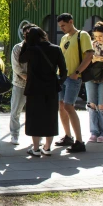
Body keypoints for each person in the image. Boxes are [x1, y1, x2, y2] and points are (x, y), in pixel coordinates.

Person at [19, 27, 67, 156]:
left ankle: (35, 148)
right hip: (51, 88)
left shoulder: (31, 50)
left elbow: (21, 59)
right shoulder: (55, 48)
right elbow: (63, 69)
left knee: (34, 118)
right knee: (50, 116)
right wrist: (59, 82)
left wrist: (26, 44)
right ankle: (47, 147)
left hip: (34, 88)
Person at [55, 13, 93, 153]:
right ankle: (68, 136)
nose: (62, 28)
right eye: (60, 26)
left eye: (64, 25)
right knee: (61, 106)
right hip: (63, 77)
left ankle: (79, 141)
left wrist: (77, 73)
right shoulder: (64, 38)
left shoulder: (82, 35)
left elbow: (89, 55)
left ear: (71, 22)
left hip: (73, 77)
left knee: (69, 106)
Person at [9, 24, 34, 145]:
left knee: (34, 111)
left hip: (35, 84)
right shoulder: (17, 48)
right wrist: (27, 78)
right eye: (26, 34)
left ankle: (35, 135)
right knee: (16, 110)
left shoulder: (38, 48)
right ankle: (14, 135)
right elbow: (16, 68)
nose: (28, 36)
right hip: (20, 84)